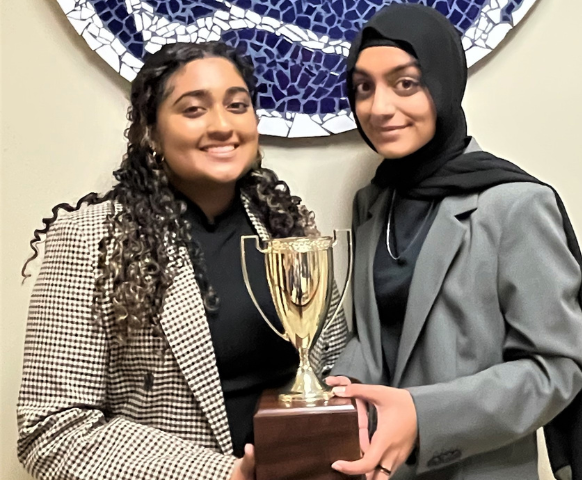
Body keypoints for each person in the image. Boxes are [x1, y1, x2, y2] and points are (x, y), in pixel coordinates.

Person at [17, 41, 347, 480]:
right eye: (193, 110)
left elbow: (334, 368)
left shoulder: (291, 228)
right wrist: (224, 476)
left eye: (237, 105)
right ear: (151, 131)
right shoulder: (90, 239)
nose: (222, 125)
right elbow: (51, 430)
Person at [327, 4, 582, 480]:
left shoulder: (515, 205)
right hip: (380, 469)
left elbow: (555, 369)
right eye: (363, 87)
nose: (379, 107)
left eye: (405, 83)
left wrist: (422, 415)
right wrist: (342, 390)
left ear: (444, 83)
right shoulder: (372, 203)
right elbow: (377, 336)